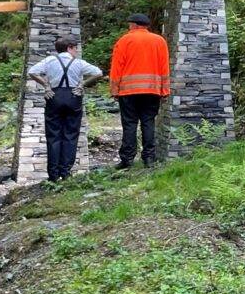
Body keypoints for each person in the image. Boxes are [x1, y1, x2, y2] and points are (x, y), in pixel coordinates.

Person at [28, 37, 103, 182]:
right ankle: (66, 172)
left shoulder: (50, 60)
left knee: (53, 136)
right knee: (70, 135)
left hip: (54, 96)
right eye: (75, 48)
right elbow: (98, 73)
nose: (76, 51)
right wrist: (82, 84)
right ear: (69, 47)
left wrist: (46, 85)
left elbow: (32, 71)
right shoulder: (79, 63)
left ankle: (53, 175)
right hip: (73, 97)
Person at [110, 13, 170, 169]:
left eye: (130, 25)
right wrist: (164, 89)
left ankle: (127, 159)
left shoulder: (124, 41)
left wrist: (114, 89)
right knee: (148, 122)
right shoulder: (159, 41)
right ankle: (149, 158)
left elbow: (117, 67)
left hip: (128, 91)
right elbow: (164, 67)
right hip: (152, 90)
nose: (129, 28)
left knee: (129, 124)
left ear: (135, 25)